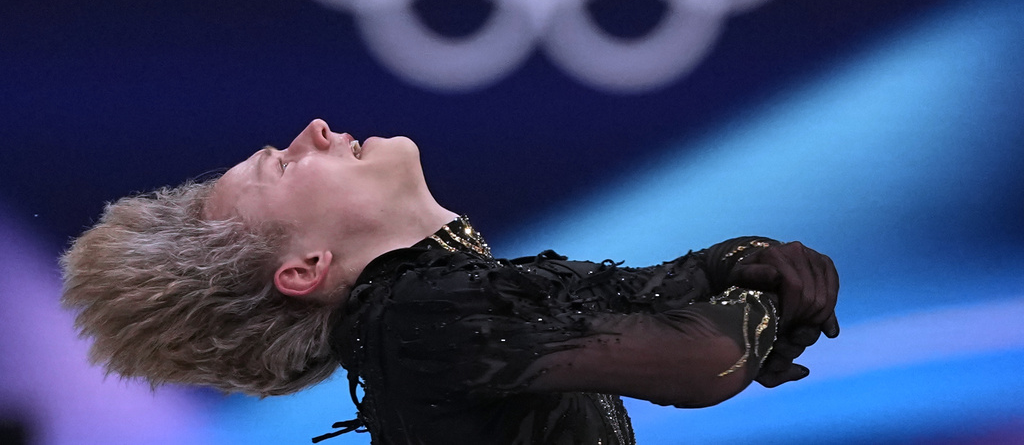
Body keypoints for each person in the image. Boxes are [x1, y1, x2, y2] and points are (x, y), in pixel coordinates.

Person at [61, 119, 840, 445]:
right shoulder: (419, 319)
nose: (316, 131)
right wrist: (771, 303)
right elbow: (702, 356)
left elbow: (672, 288)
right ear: (304, 269)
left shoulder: (445, 296)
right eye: (285, 164)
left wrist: (757, 270)